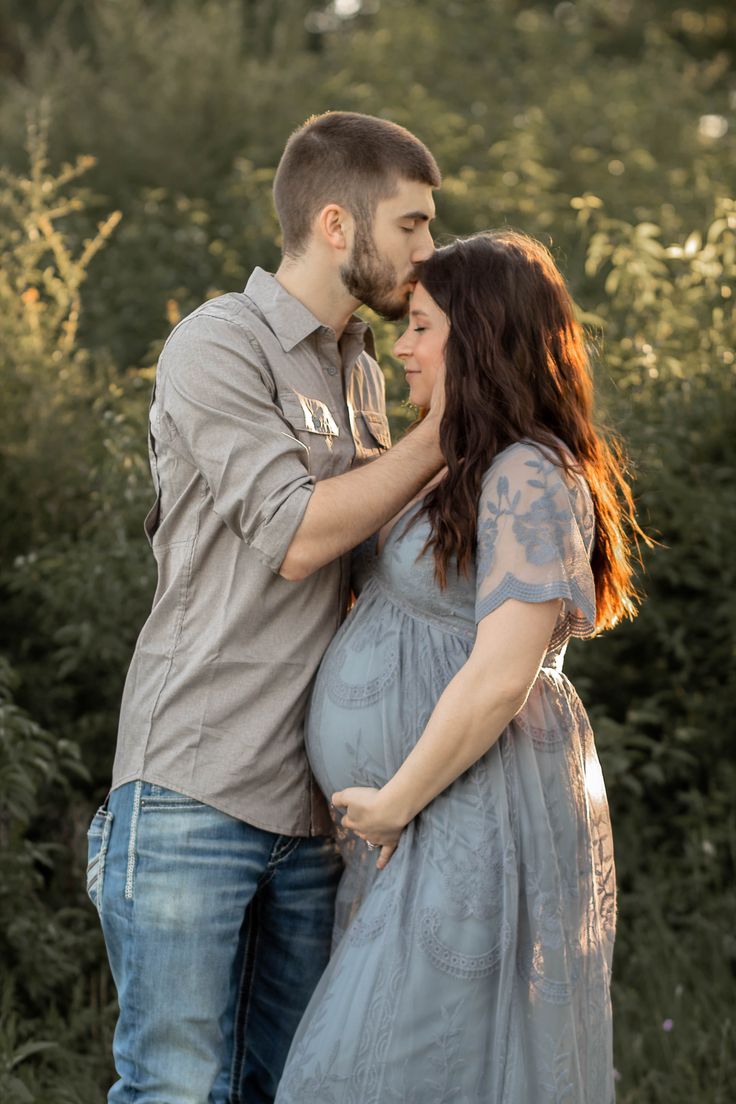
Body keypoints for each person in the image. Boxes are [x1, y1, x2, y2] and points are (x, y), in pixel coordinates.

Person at [85, 111, 445, 1104]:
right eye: (410, 225)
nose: (428, 250)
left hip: (315, 807)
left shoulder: (365, 366)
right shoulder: (218, 343)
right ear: (338, 224)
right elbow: (294, 536)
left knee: (292, 1088)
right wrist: (441, 439)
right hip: (193, 787)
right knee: (175, 1090)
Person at [275, 230, 648, 1104]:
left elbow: (501, 675)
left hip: (467, 808)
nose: (400, 345)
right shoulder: (463, 467)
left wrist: (396, 798)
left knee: (372, 1075)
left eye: (421, 326)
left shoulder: (528, 475)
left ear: (480, 337)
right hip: (418, 821)